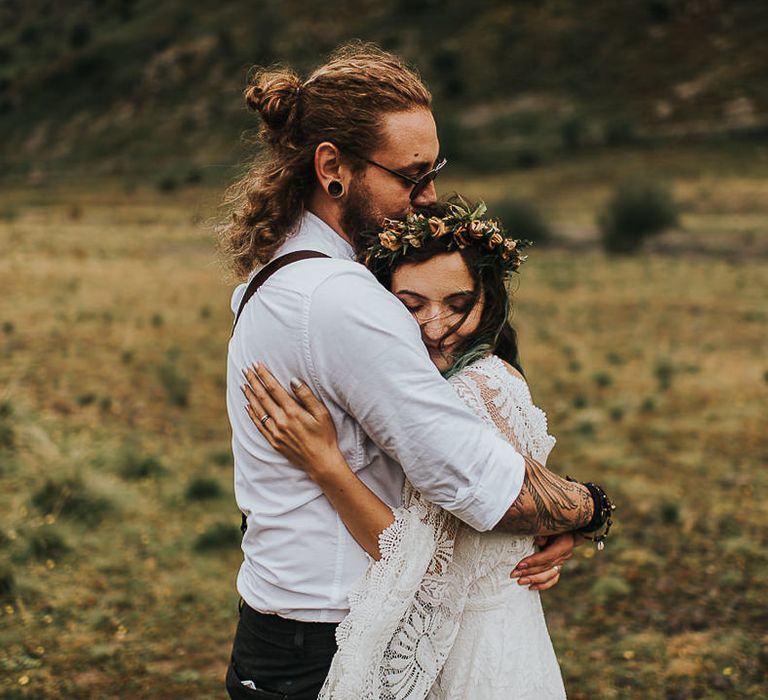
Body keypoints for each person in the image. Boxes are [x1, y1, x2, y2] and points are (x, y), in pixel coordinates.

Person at [220, 42, 611, 699]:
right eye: (412, 176)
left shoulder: (281, 275)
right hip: (326, 646)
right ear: (332, 168)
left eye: (435, 173)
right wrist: (589, 507)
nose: (429, 199)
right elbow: (483, 486)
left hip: (294, 632)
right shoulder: (340, 300)